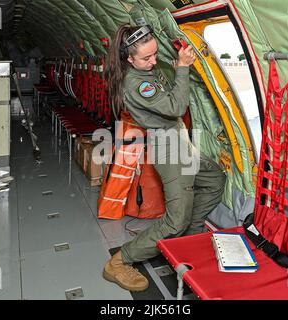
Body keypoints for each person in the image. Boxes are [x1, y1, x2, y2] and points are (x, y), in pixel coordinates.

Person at [103, 24, 226, 292]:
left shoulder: (147, 70)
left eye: (155, 54)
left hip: (180, 142)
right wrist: (182, 67)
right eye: (146, 58)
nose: (153, 61)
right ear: (129, 58)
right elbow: (175, 107)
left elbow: (168, 95)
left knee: (215, 179)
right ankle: (120, 261)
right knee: (175, 220)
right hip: (169, 149)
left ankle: (190, 236)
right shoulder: (135, 83)